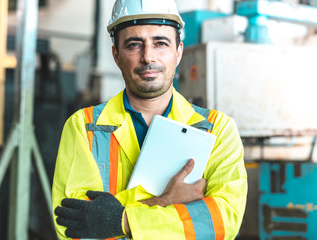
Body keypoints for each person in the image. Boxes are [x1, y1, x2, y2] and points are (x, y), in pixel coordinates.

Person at [52, 0, 248, 239]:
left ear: (179, 51)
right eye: (134, 44)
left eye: (160, 43)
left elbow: (222, 223)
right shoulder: (85, 127)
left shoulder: (218, 130)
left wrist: (121, 220)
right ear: (116, 55)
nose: (148, 56)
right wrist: (166, 201)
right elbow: (73, 228)